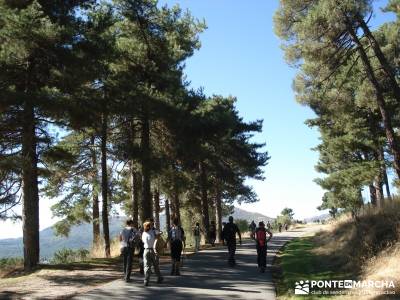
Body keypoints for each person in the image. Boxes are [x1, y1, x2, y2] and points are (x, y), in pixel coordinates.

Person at [142, 221, 163, 286]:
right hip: (153, 250)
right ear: (150, 226)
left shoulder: (143, 233)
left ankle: (146, 280)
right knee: (155, 265)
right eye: (150, 225)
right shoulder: (153, 231)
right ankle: (159, 277)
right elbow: (161, 232)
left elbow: (143, 241)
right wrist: (157, 236)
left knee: (147, 266)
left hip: (146, 250)